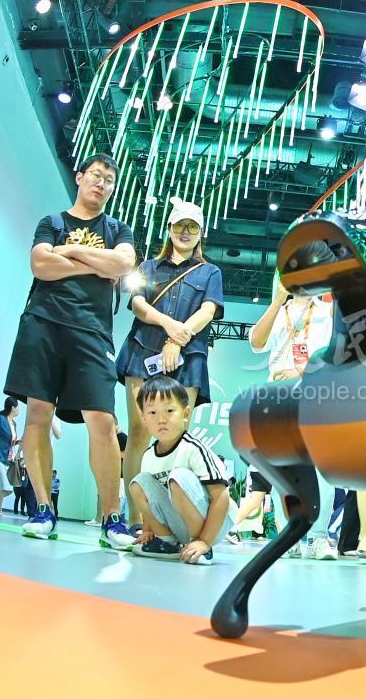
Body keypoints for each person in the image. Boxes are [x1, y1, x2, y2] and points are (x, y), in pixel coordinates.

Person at [3, 153, 137, 548]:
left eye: (109, 180)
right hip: (43, 323)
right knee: (37, 414)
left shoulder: (118, 229)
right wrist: (96, 265)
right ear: (80, 177)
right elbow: (40, 266)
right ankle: (43, 509)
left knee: (103, 420)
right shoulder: (53, 222)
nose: (101, 184)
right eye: (96, 175)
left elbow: (123, 265)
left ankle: (112, 518)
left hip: (93, 330)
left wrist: (67, 253)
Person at [118, 199, 223, 524]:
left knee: (177, 437)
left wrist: (177, 341)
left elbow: (208, 310)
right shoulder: (149, 267)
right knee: (138, 432)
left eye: (192, 226)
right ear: (170, 228)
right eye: (180, 225)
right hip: (143, 351)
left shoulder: (211, 272)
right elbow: (138, 304)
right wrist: (169, 326)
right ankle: (136, 519)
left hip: (188, 356)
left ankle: (174, 522)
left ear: (201, 232)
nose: (185, 232)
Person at [247, 272, 338, 560]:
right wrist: (277, 301)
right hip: (279, 395)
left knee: (321, 465)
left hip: (316, 393)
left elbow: (338, 352)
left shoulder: (327, 312)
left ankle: (319, 537)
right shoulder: (279, 310)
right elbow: (256, 343)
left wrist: (301, 372)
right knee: (283, 466)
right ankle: (290, 536)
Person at [130, 376, 236, 564]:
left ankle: (199, 546)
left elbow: (221, 497)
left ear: (186, 414)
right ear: (144, 418)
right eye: (152, 412)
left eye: (169, 411)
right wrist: (148, 530)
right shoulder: (148, 455)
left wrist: (205, 541)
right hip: (180, 522)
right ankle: (166, 543)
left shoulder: (193, 448)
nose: (161, 419)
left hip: (215, 523)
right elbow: (149, 496)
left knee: (178, 477)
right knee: (138, 483)